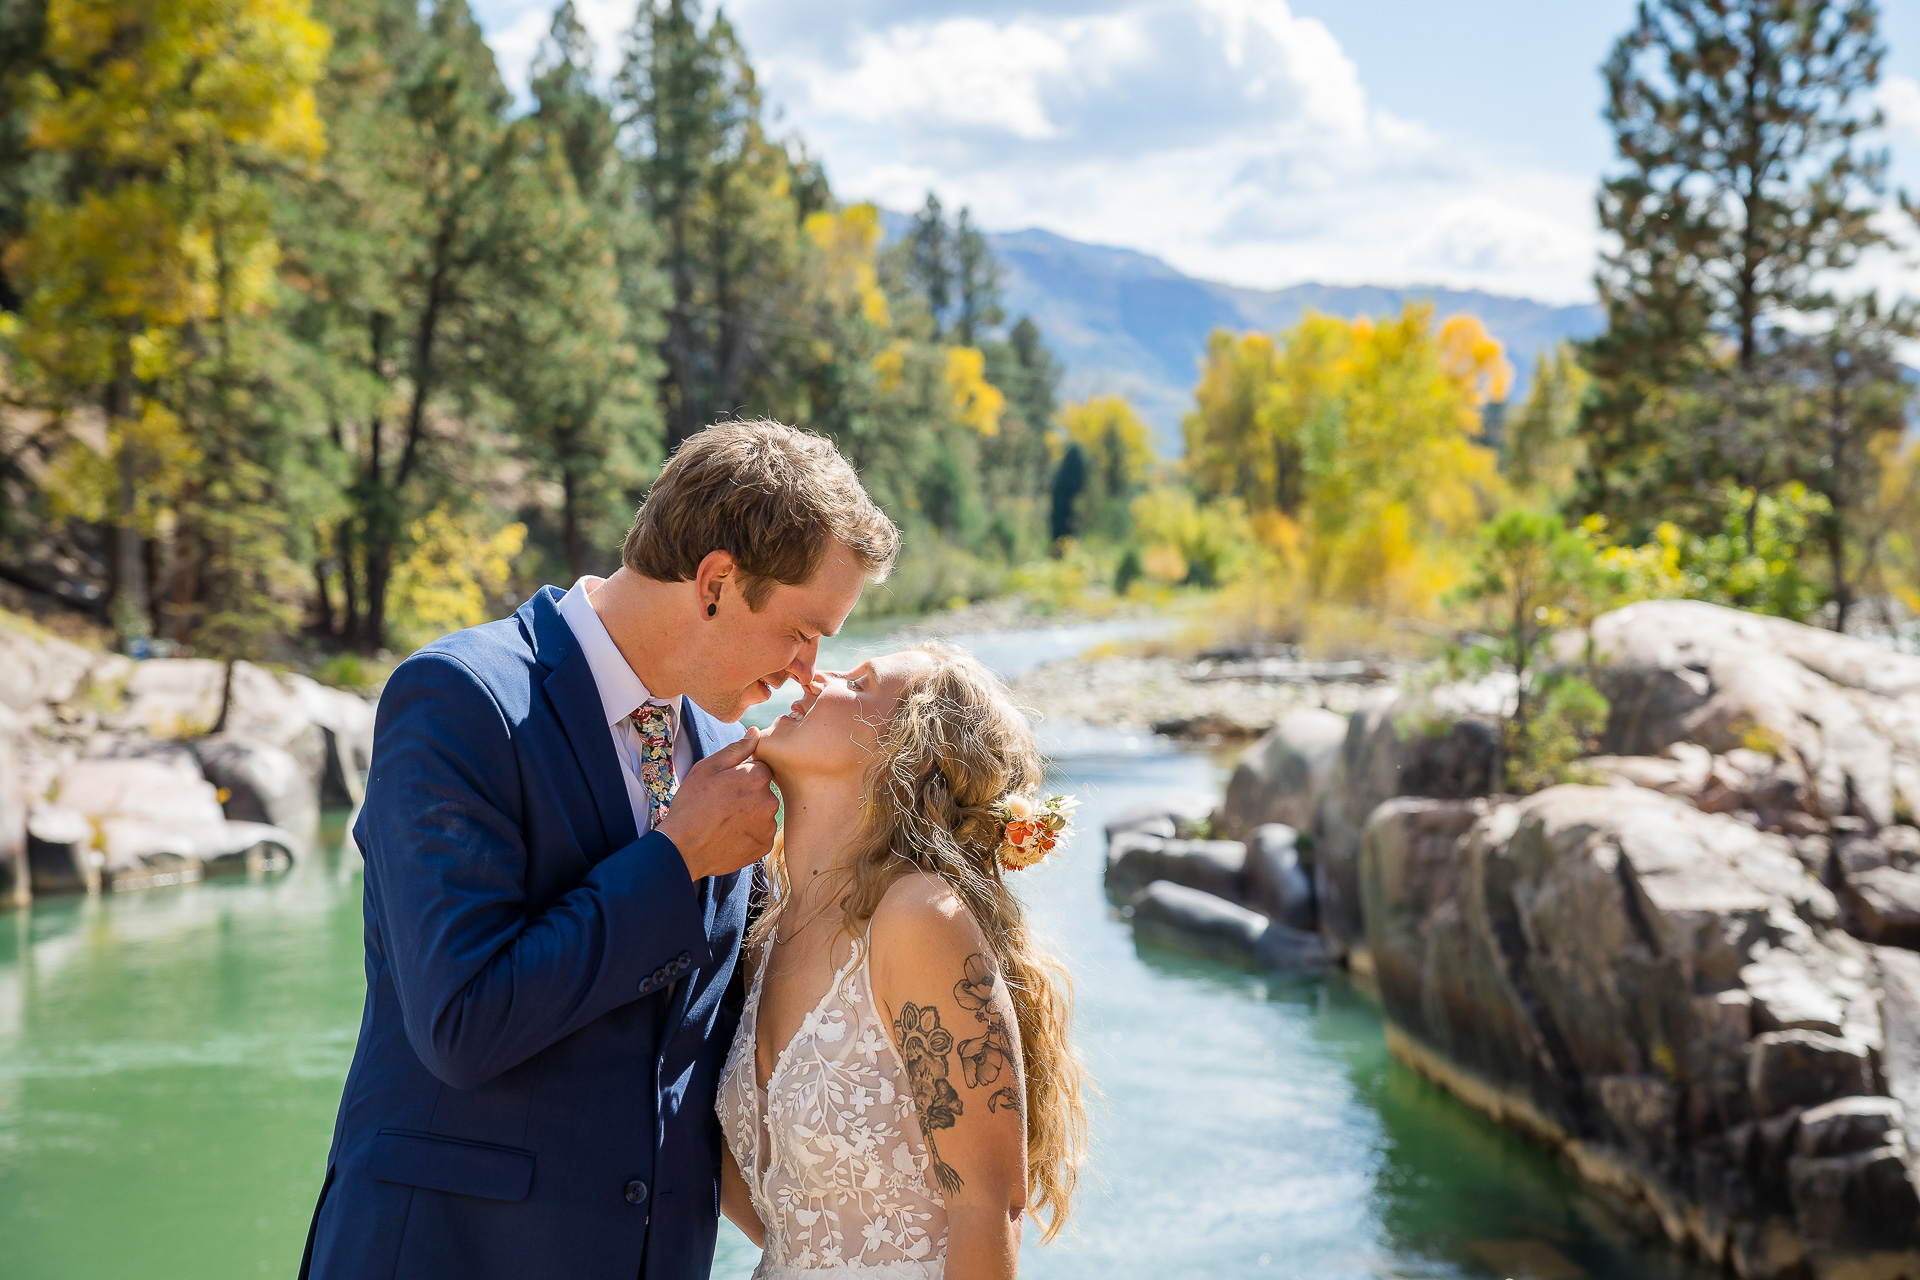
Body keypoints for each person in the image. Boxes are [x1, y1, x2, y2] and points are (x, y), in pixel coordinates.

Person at [300, 421, 899, 1280]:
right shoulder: (461, 701)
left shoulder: (724, 746)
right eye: (804, 631)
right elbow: (460, 1024)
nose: (808, 671)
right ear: (718, 582)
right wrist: (674, 859)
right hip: (452, 1255)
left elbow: (729, 1045)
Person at [717, 643, 1090, 1279]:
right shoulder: (764, 930)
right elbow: (785, 1213)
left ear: (904, 757)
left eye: (858, 683)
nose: (817, 674)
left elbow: (990, 1209)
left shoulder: (920, 919)